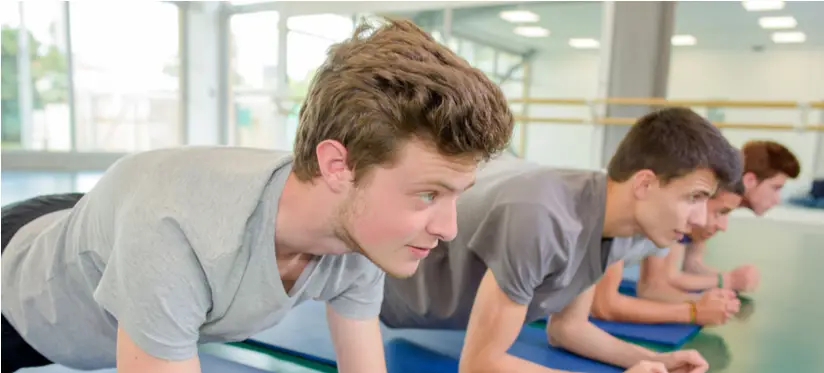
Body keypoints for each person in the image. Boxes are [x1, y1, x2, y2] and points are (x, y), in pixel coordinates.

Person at [0, 20, 515, 373]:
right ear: (339, 166)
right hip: (21, 283)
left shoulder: (364, 231)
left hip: (95, 218)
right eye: (428, 194)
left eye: (454, 196)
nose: (449, 228)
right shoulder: (174, 231)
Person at [379, 107, 743, 373]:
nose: (700, 218)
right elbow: (479, 364)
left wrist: (654, 360)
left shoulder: (622, 226)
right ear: (645, 184)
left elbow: (569, 328)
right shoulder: (543, 217)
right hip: (385, 286)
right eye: (694, 197)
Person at [591, 141, 800, 324]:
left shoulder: (698, 213)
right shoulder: (632, 214)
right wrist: (702, 303)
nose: (778, 199)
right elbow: (641, 289)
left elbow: (685, 267)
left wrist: (715, 295)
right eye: (776, 188)